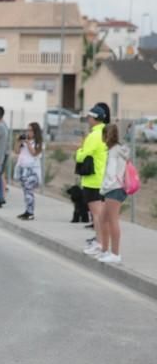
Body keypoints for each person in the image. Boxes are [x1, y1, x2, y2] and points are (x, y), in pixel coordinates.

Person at [78, 104, 110, 256]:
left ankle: (100, 244)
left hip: (93, 179)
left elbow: (83, 155)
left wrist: (79, 151)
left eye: (89, 117)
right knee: (101, 213)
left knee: (96, 214)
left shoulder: (94, 135)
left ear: (95, 119)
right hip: (103, 178)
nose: (88, 120)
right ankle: (102, 243)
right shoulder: (107, 132)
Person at [97, 124, 129, 263]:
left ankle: (115, 254)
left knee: (112, 220)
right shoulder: (117, 150)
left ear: (106, 135)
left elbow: (111, 174)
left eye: (103, 135)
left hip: (114, 189)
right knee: (103, 219)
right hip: (116, 188)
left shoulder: (114, 152)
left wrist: (104, 188)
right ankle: (105, 250)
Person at [13, 122, 43, 220]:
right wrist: (18, 142)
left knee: (29, 190)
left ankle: (30, 213)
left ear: (35, 132)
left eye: (30, 130)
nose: (28, 132)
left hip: (32, 170)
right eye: (27, 130)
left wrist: (28, 143)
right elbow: (16, 151)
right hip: (22, 168)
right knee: (26, 191)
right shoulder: (24, 141)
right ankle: (27, 211)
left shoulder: (39, 143)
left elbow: (34, 153)